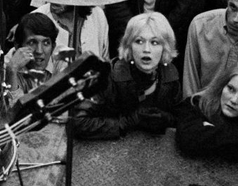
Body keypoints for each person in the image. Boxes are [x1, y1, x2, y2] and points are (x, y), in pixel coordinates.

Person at [71, 12, 182, 140]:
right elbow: (78, 122)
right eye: (139, 41)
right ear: (129, 46)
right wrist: (126, 122)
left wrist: (166, 119)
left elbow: (181, 119)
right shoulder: (107, 77)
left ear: (165, 47)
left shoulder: (170, 77)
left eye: (155, 42)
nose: (146, 49)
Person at [3, 13, 64, 102]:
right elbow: (14, 111)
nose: (39, 51)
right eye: (32, 42)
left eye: (46, 43)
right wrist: (11, 70)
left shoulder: (62, 59)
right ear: (17, 46)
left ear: (53, 46)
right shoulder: (5, 69)